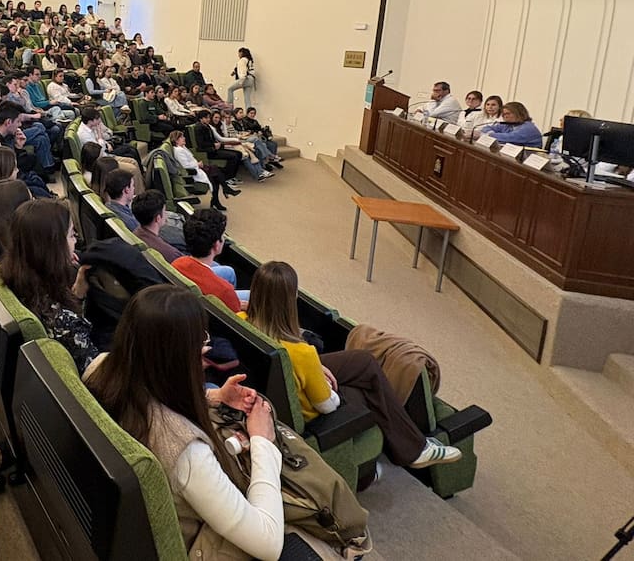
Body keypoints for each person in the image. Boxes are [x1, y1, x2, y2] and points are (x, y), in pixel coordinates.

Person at [85, 285, 285, 561]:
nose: (205, 347)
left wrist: (214, 396)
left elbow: (149, 389)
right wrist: (262, 440)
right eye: (200, 339)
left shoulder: (101, 366)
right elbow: (269, 543)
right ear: (178, 355)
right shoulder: (188, 453)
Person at [246, 261, 462, 469]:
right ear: (290, 301)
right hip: (311, 416)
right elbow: (327, 405)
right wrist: (322, 380)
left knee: (364, 362)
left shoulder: (243, 319)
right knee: (366, 390)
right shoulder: (303, 353)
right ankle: (412, 451)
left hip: (278, 387)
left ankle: (409, 446)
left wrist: (316, 367)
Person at [0, 198, 98, 374]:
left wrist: (77, 292)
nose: (75, 241)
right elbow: (95, 373)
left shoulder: (12, 275)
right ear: (53, 247)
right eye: (71, 235)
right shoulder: (64, 323)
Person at [171, 208, 246, 312]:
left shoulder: (177, 263)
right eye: (223, 236)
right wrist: (239, 305)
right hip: (218, 308)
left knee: (228, 271)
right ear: (216, 245)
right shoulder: (225, 291)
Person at [131, 190, 183, 262]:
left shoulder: (135, 233)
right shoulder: (172, 254)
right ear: (158, 218)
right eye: (164, 211)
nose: (166, 215)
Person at [477, 101, 542, 147]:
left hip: (527, 159)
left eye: (508, 113)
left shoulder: (528, 128)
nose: (505, 116)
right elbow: (486, 128)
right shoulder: (508, 124)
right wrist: (489, 133)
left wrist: (489, 135)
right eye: (503, 114)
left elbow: (509, 137)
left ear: (519, 113)